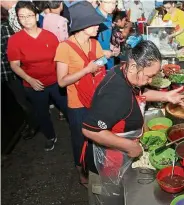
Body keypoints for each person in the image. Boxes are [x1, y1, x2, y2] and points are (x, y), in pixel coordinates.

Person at [82, 40, 184, 204]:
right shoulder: (116, 94)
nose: (151, 80)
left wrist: (165, 96)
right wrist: (129, 146)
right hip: (107, 161)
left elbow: (139, 93)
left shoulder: (125, 73)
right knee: (108, 199)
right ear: (133, 67)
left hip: (119, 155)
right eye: (149, 76)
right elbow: (90, 130)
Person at [55, 1, 106, 188]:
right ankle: (81, 172)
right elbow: (62, 81)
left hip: (95, 99)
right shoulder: (64, 47)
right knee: (79, 138)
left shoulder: (95, 43)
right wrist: (86, 70)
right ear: (82, 26)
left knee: (98, 136)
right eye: (94, 23)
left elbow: (100, 71)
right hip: (77, 103)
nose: (98, 27)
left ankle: (96, 167)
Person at [8, 1, 68, 151]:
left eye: (29, 15)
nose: (26, 19)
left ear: (36, 17)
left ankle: (79, 132)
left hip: (55, 82)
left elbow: (59, 58)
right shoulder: (15, 40)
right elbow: (14, 64)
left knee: (68, 108)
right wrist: (29, 79)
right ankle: (50, 136)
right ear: (18, 19)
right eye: (22, 17)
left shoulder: (49, 36)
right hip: (33, 85)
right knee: (42, 114)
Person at [1, 5, 38, 140]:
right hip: (7, 73)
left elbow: (10, 52)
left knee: (23, 101)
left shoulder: (3, 28)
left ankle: (35, 124)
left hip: (11, 72)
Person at [96, 0, 119, 70]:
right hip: (97, 59)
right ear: (99, 1)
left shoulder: (109, 17)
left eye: (114, 3)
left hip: (109, 59)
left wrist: (113, 47)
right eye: (108, 2)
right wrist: (101, 52)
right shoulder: (94, 17)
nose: (112, 6)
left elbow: (106, 38)